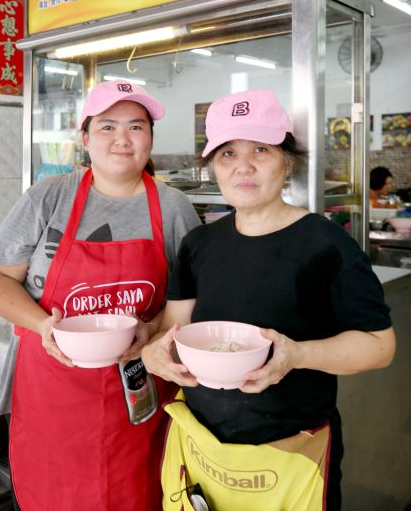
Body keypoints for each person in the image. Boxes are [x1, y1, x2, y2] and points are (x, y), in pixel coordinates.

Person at [142, 88, 396, 511]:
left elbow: (380, 347)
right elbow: (174, 330)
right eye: (227, 153)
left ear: (287, 161)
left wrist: (296, 355)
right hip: (205, 451)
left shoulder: (325, 242)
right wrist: (154, 353)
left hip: (294, 454)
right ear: (213, 168)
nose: (243, 165)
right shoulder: (199, 243)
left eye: (261, 149)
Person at [0, 79, 201, 511]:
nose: (122, 138)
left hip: (138, 393)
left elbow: (190, 302)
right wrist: (43, 324)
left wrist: (151, 330)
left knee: (136, 495)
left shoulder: (174, 209)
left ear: (150, 138)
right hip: (50, 392)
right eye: (107, 126)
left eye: (136, 127)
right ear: (85, 138)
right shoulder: (47, 198)